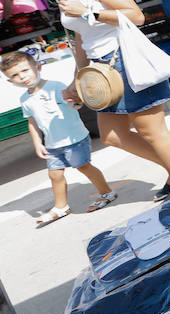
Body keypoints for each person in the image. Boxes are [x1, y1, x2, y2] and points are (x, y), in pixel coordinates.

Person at [32, 0, 170, 199]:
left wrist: (88, 12)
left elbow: (136, 15)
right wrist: (77, 78)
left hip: (125, 59)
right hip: (99, 70)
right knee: (111, 135)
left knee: (151, 130)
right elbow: (80, 38)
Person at [4, 50, 117, 225]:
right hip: (52, 144)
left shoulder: (55, 87)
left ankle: (106, 192)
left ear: (37, 67)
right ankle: (61, 206)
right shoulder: (25, 99)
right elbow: (32, 122)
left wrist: (75, 103)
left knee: (84, 167)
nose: (22, 77)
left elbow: (74, 103)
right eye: (15, 75)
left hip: (74, 139)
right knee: (55, 175)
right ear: (10, 81)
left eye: (25, 70)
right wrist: (37, 143)